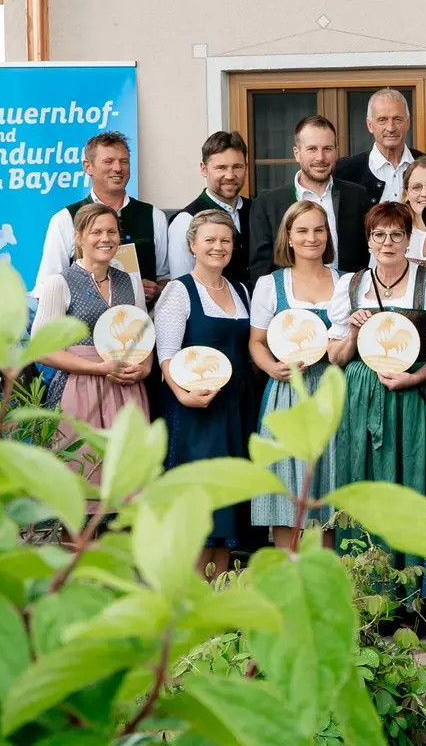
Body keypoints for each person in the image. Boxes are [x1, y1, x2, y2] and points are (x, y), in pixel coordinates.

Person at [325, 202, 426, 523]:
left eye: (396, 235)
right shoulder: (351, 285)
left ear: (409, 239)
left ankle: (410, 569)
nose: (387, 243)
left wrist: (417, 379)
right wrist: (352, 333)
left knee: (411, 473)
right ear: (368, 240)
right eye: (379, 235)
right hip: (360, 394)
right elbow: (335, 359)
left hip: (413, 395)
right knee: (361, 474)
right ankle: (362, 569)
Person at [154, 210, 253, 577]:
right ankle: (190, 602)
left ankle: (216, 600)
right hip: (196, 409)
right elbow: (165, 354)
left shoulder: (241, 289)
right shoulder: (179, 290)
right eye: (209, 240)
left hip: (237, 409)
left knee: (225, 506)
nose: (218, 247)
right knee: (200, 506)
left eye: (225, 240)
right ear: (193, 245)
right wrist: (182, 395)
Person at [248, 200, 342, 549]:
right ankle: (290, 577)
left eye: (319, 229)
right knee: (289, 487)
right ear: (288, 237)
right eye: (302, 230)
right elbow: (256, 342)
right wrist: (271, 367)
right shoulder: (270, 285)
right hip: (287, 393)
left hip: (332, 392)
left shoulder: (345, 282)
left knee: (329, 482)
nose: (311, 238)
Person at [35, 202, 152, 479]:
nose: (106, 239)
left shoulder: (130, 282)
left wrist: (145, 368)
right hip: (78, 388)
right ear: (79, 237)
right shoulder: (59, 283)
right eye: (96, 232)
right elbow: (42, 349)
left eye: (112, 232)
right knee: (80, 474)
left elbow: (143, 335)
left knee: (125, 480)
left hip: (125, 389)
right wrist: (98, 368)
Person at [37, 131, 173, 304]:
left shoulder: (154, 216)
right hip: (82, 327)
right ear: (88, 167)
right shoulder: (65, 219)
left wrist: (158, 291)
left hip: (140, 324)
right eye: (108, 161)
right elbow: (46, 286)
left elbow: (166, 278)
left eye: (124, 161)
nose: (118, 168)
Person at [249, 115, 371, 280]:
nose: (320, 157)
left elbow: (366, 256)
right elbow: (261, 270)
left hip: (347, 298)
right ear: (297, 153)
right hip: (290, 302)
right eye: (312, 149)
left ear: (336, 151)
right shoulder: (267, 205)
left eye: (327, 148)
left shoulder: (357, 196)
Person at [167, 131, 254, 290]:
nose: (230, 175)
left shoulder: (257, 211)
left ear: (246, 169)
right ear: (204, 169)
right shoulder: (186, 220)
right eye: (221, 167)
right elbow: (183, 285)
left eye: (237, 167)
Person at [334, 88, 426, 203]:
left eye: (398, 119)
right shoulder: (345, 170)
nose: (391, 128)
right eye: (382, 120)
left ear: (408, 122)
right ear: (370, 125)